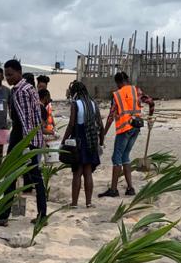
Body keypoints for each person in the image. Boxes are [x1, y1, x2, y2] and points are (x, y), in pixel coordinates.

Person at [0, 59, 47, 226]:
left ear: (19, 72)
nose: (8, 78)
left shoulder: (19, 91)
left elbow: (25, 120)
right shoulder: (30, 87)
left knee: (12, 174)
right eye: (6, 75)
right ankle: (41, 214)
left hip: (24, 138)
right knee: (34, 177)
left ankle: (5, 214)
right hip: (29, 137)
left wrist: (26, 144)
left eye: (10, 75)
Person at [99, 71, 155, 198]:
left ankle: (113, 189)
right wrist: (150, 117)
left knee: (116, 158)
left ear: (118, 82)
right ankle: (130, 188)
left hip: (124, 129)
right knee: (125, 156)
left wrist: (103, 133)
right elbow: (151, 102)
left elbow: (111, 116)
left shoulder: (117, 94)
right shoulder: (136, 90)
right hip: (136, 127)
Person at [62, 80, 103, 208]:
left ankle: (74, 203)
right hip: (91, 142)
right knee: (88, 172)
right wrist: (101, 142)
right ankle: (89, 202)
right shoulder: (93, 103)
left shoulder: (76, 104)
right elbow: (100, 125)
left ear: (75, 92)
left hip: (78, 142)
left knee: (77, 173)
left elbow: (71, 124)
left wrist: (63, 141)